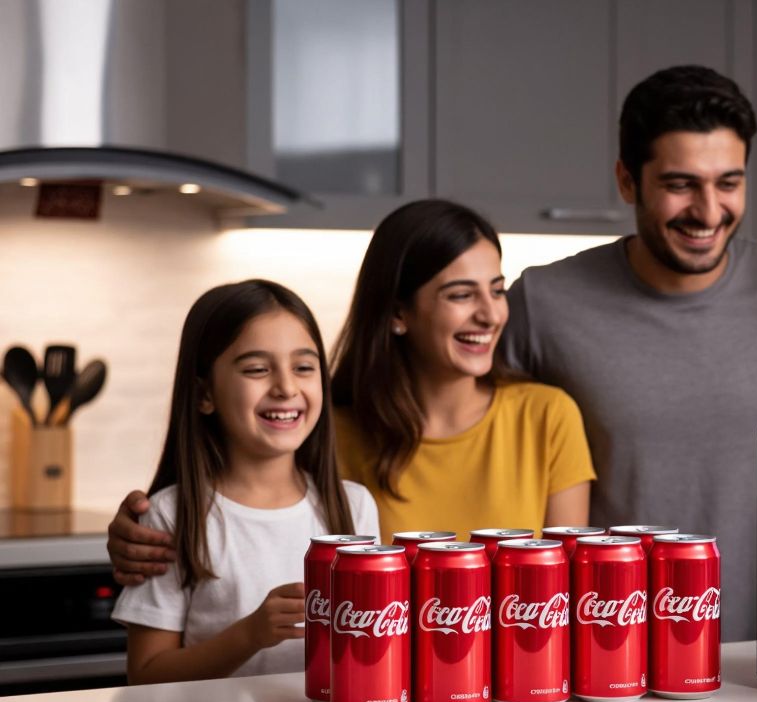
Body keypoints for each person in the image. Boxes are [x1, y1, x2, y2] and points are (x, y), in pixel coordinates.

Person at [499, 65, 757, 641]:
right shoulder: (544, 303)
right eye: (681, 184)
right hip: (604, 648)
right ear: (628, 181)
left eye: (729, 183)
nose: (709, 211)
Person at [107, 200, 595, 580]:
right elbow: (234, 515)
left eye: (497, 289)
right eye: (461, 295)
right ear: (397, 314)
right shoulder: (328, 432)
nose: (491, 314)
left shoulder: (548, 417)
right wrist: (145, 528)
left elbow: (566, 586)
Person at [111, 280, 379, 682]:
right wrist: (249, 635)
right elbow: (146, 674)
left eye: (304, 367)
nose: (287, 387)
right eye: (257, 369)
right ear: (205, 394)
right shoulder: (171, 516)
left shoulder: (354, 506)